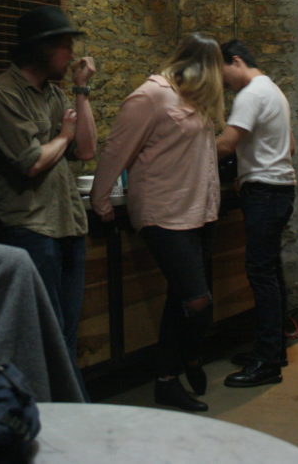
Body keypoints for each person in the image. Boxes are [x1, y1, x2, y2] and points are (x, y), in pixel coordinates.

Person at [90, 33, 223, 412]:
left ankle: (170, 378)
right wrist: (101, 199)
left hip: (198, 211)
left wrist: (212, 203)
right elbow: (117, 148)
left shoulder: (191, 99)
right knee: (196, 302)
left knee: (180, 298)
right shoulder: (151, 96)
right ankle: (183, 363)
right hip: (163, 213)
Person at [0, 4, 97, 365]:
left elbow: (88, 147)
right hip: (29, 228)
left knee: (65, 335)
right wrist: (62, 135)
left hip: (67, 224)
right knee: (42, 336)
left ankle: (71, 412)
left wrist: (82, 90)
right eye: (65, 45)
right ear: (41, 49)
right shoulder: (4, 92)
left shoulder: (55, 94)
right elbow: (31, 162)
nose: (72, 55)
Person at [216, 39, 296, 388]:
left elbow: (225, 144)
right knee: (271, 272)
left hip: (264, 192)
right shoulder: (273, 90)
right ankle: (273, 350)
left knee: (261, 274)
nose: (223, 83)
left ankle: (266, 363)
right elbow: (288, 146)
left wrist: (178, 158)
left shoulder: (249, 95)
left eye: (223, 74)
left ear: (235, 61)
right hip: (279, 188)